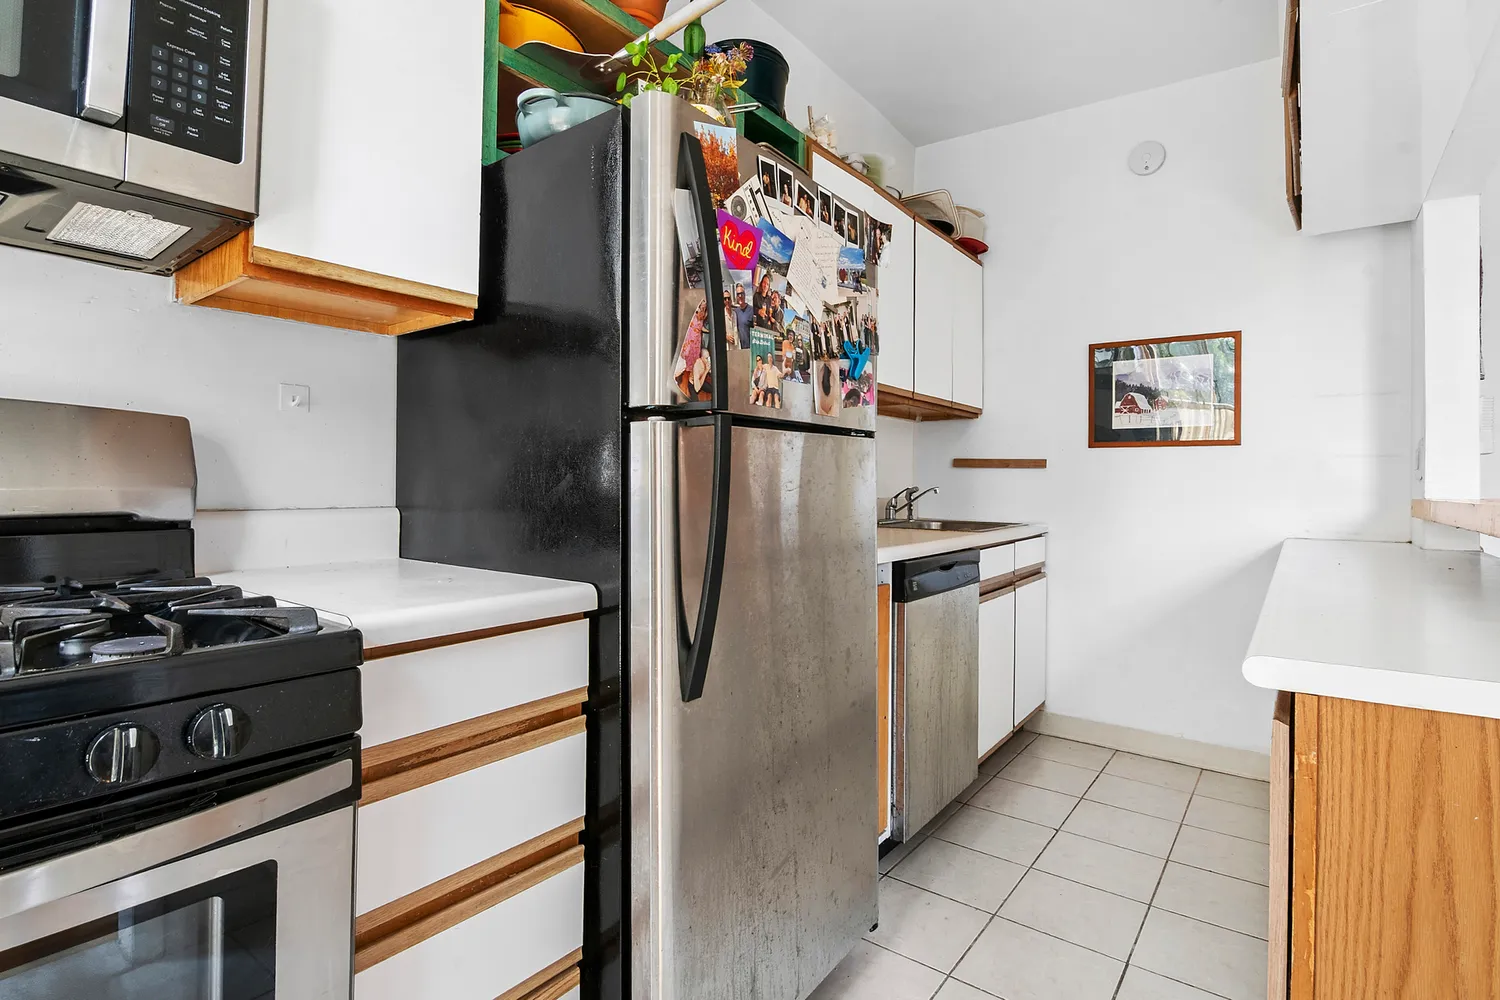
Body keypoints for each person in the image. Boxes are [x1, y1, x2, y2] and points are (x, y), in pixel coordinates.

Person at [673, 299, 708, 400]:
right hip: (691, 338)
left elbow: (701, 327)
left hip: (697, 339)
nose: (703, 307)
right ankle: (682, 378)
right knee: (687, 356)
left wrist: (708, 331)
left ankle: (690, 380)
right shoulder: (695, 313)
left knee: (693, 359)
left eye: (704, 306)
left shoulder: (703, 315)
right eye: (702, 305)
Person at [732, 284, 754, 349]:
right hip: (739, 349)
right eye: (738, 294)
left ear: (745, 295)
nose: (740, 296)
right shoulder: (735, 312)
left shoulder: (752, 310)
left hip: (750, 348)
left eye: (742, 293)